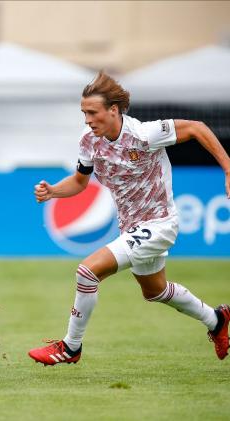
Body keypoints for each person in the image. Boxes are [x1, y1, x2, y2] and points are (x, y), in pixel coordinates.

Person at [28, 71, 230, 366]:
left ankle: (71, 348)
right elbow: (80, 182)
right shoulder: (89, 142)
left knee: (87, 272)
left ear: (113, 110)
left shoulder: (145, 134)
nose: (87, 119)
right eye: (84, 112)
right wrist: (53, 192)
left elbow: (198, 128)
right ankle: (217, 320)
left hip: (159, 223)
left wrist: (227, 167)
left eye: (92, 112)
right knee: (156, 291)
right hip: (132, 228)